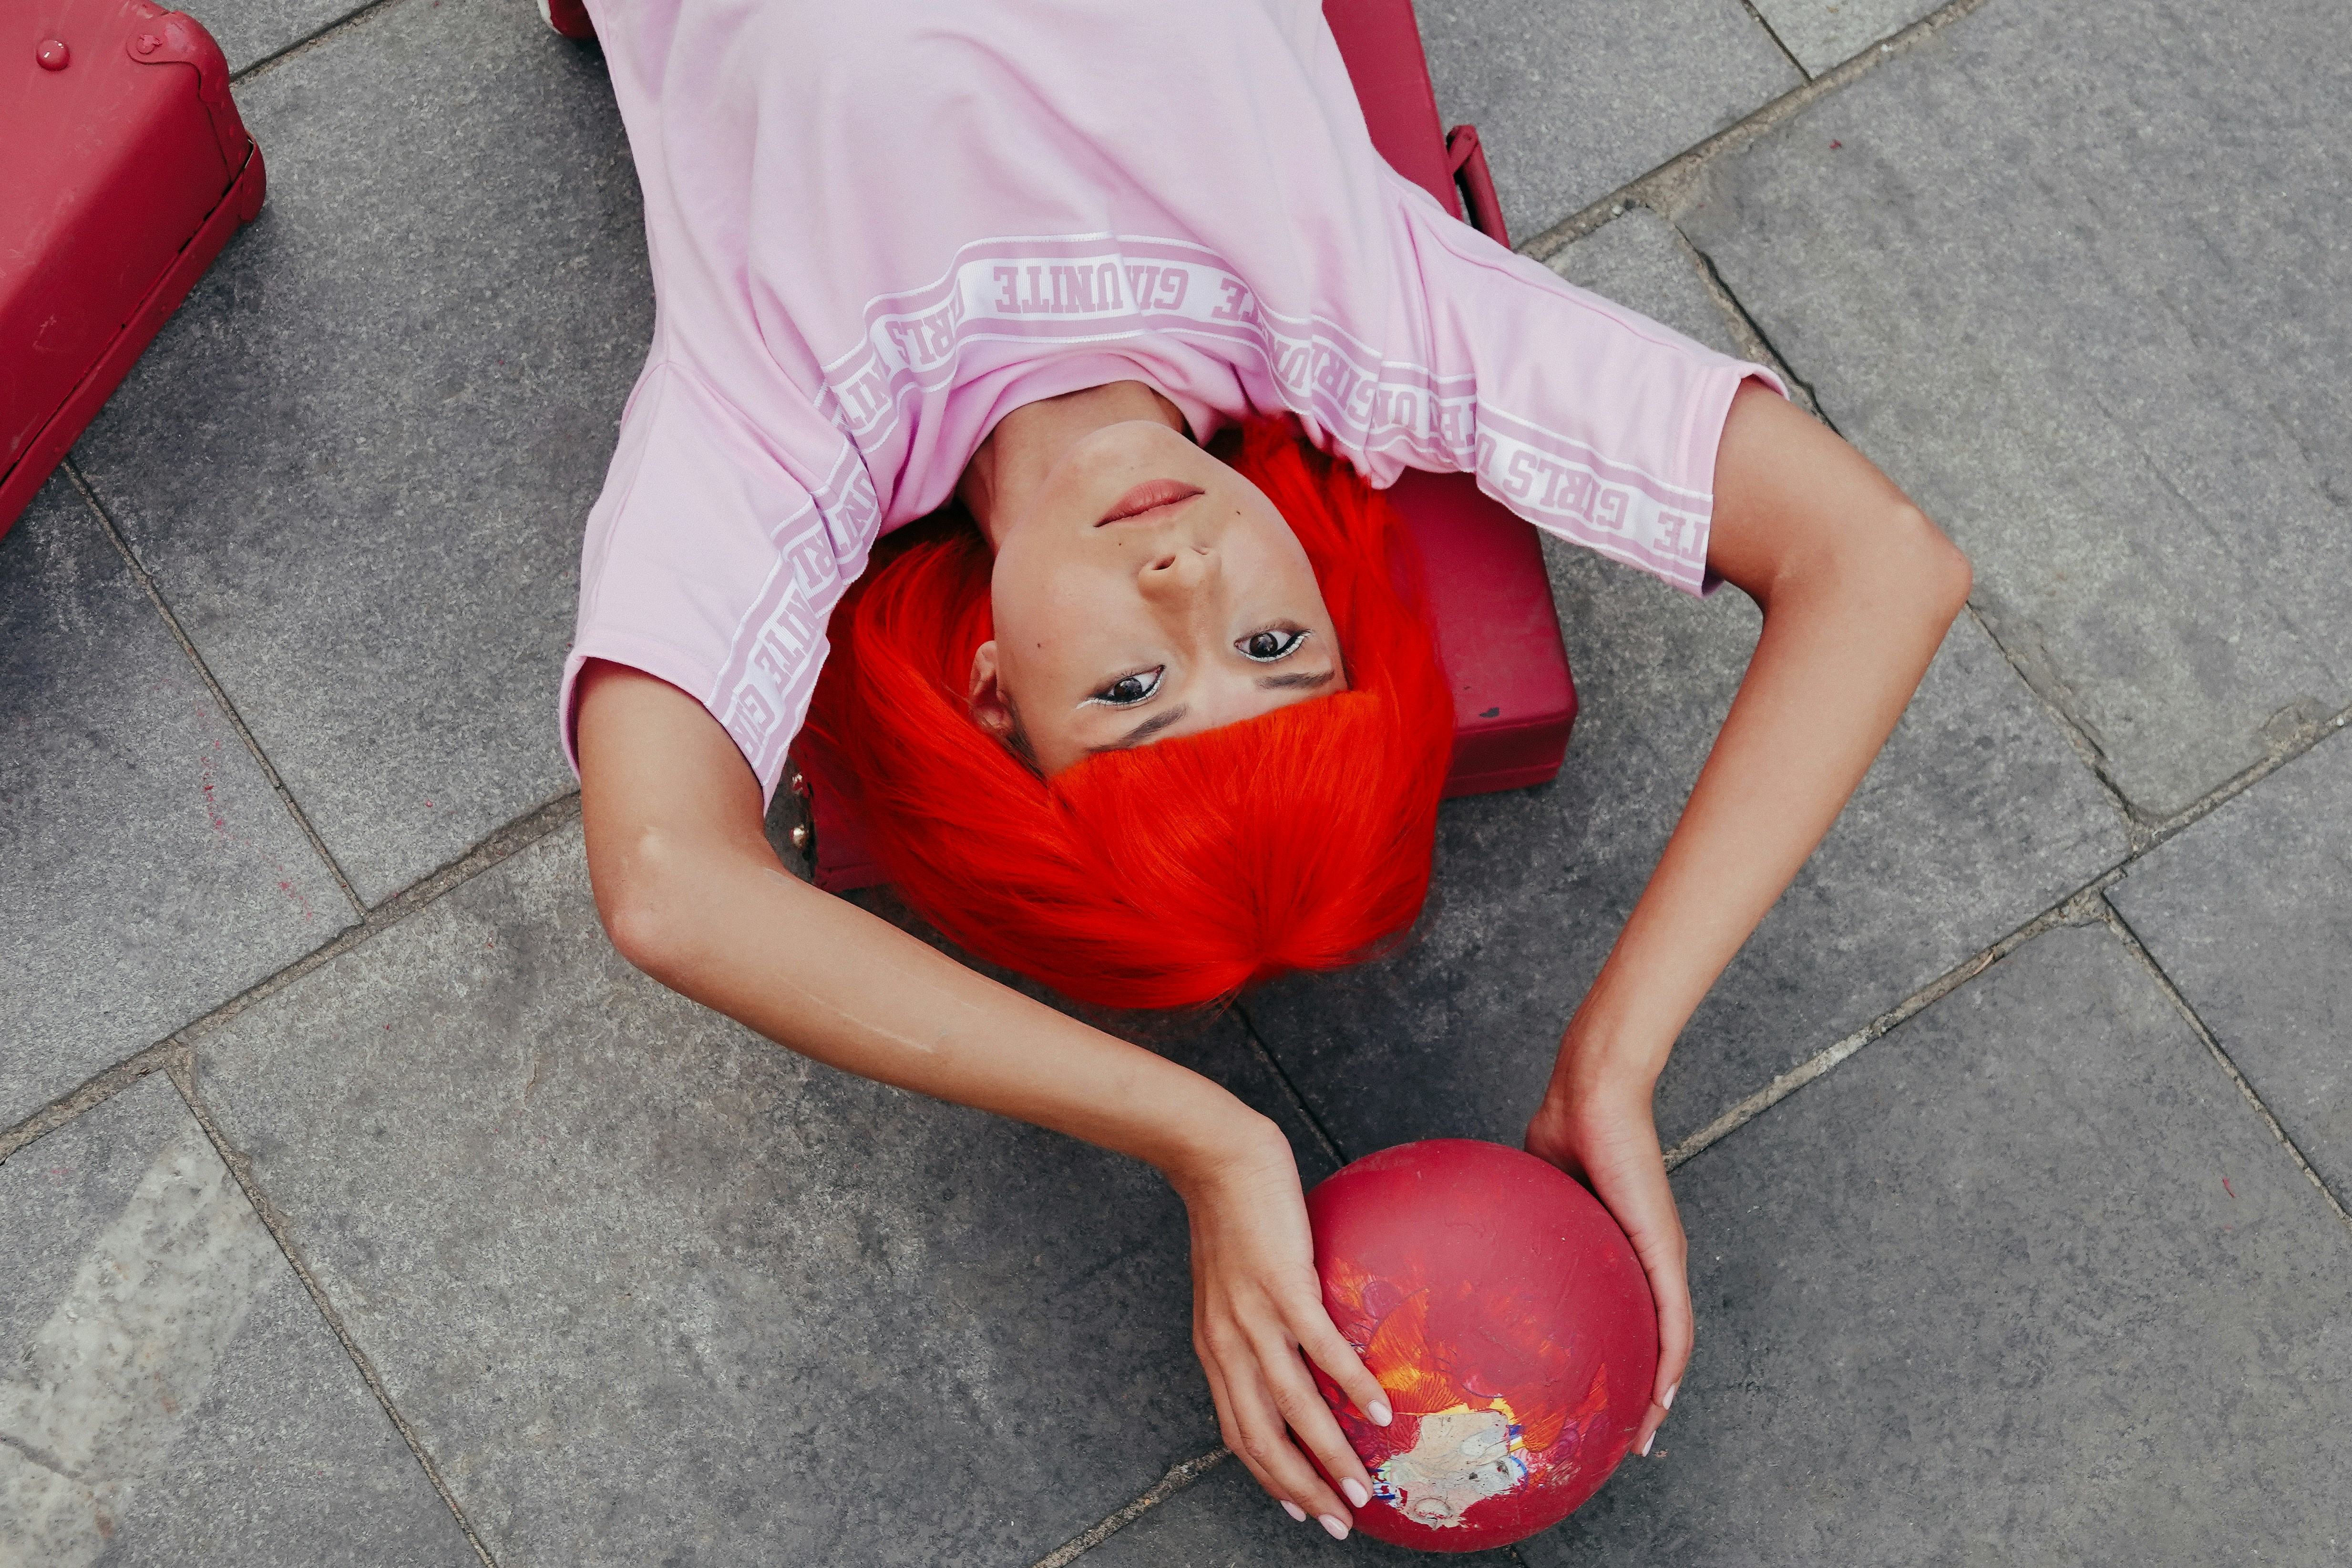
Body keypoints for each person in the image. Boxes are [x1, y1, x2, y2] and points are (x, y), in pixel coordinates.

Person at [563, 0, 1972, 1542]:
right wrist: (1616, 1058)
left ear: (990, 696)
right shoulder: (1355, 312)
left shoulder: (785, 422)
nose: (1188, 577)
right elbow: (1878, 563)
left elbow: (667, 881)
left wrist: (1204, 1136)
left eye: (1131, 687)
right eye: (1280, 643)